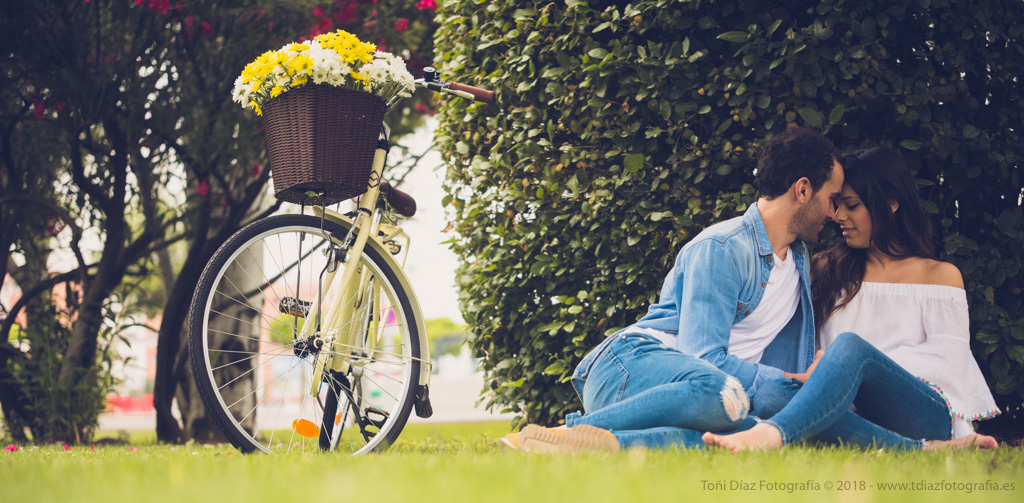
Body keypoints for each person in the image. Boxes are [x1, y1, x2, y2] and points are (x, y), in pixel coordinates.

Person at [502, 126, 844, 452]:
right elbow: (703, 357)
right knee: (721, 390)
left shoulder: (799, 260)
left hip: (717, 400)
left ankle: (599, 446)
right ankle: (561, 433)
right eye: (832, 198)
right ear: (802, 190)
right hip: (630, 366)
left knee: (743, 435)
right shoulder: (722, 248)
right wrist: (790, 377)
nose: (835, 211)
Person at [702, 146, 1000, 452]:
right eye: (836, 204)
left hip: (921, 412)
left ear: (892, 202)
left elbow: (949, 366)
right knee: (771, 396)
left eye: (852, 205)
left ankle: (772, 435)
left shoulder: (940, 276)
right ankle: (919, 450)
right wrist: (834, 378)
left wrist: (854, 368)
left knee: (850, 347)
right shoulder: (826, 268)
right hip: (843, 405)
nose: (838, 216)